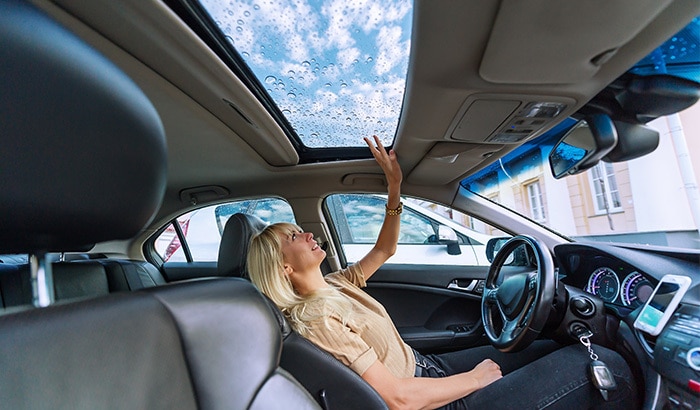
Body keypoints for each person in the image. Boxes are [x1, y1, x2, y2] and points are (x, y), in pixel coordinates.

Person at [247, 136, 638, 409]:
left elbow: (385, 249)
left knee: (555, 345)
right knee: (608, 367)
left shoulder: (334, 285)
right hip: (430, 403)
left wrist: (395, 186)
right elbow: (396, 400)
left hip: (428, 372)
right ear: (283, 267)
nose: (308, 233)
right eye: (295, 236)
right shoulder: (317, 320)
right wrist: (474, 380)